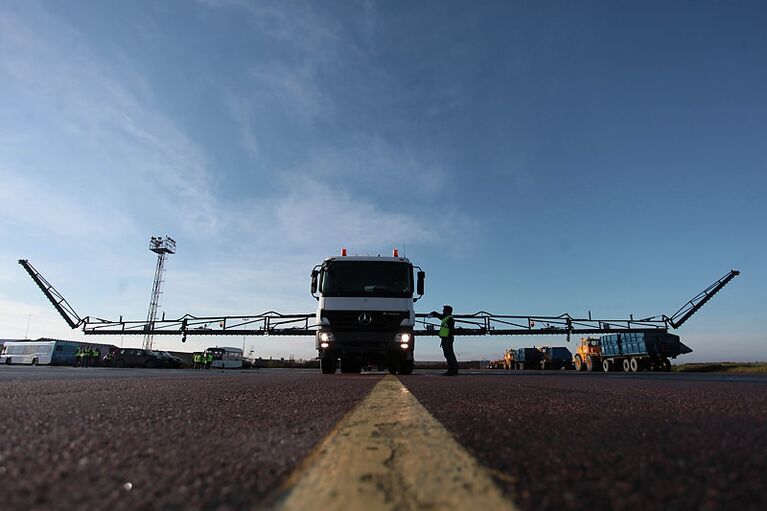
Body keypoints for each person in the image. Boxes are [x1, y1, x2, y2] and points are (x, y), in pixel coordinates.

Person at [430, 305, 458, 376]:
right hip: (445, 339)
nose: (442, 311)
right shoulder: (446, 318)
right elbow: (439, 316)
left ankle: (452, 371)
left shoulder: (449, 319)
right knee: (448, 355)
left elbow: (451, 330)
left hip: (447, 339)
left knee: (449, 355)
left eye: (444, 310)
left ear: (446, 311)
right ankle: (453, 370)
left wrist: (448, 339)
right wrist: (434, 313)